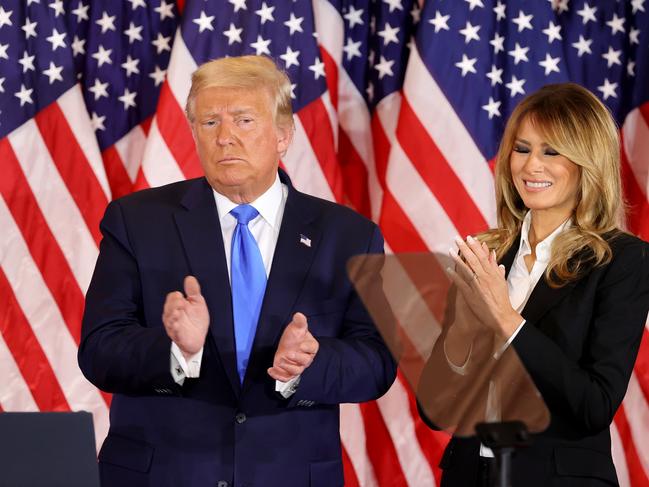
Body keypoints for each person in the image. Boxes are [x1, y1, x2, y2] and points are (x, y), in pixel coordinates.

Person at [78, 55, 396, 487]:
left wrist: (309, 363)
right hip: (164, 475)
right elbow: (99, 349)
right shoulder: (136, 221)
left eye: (244, 120)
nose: (225, 137)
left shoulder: (348, 235)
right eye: (209, 123)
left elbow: (377, 362)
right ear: (193, 133)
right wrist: (176, 351)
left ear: (283, 135)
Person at [418, 83, 649, 486]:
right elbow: (435, 411)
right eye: (522, 149)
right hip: (469, 474)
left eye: (551, 151)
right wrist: (464, 329)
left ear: (586, 162)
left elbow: (593, 405)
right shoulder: (487, 254)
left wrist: (508, 320)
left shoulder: (623, 259)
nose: (530, 166)